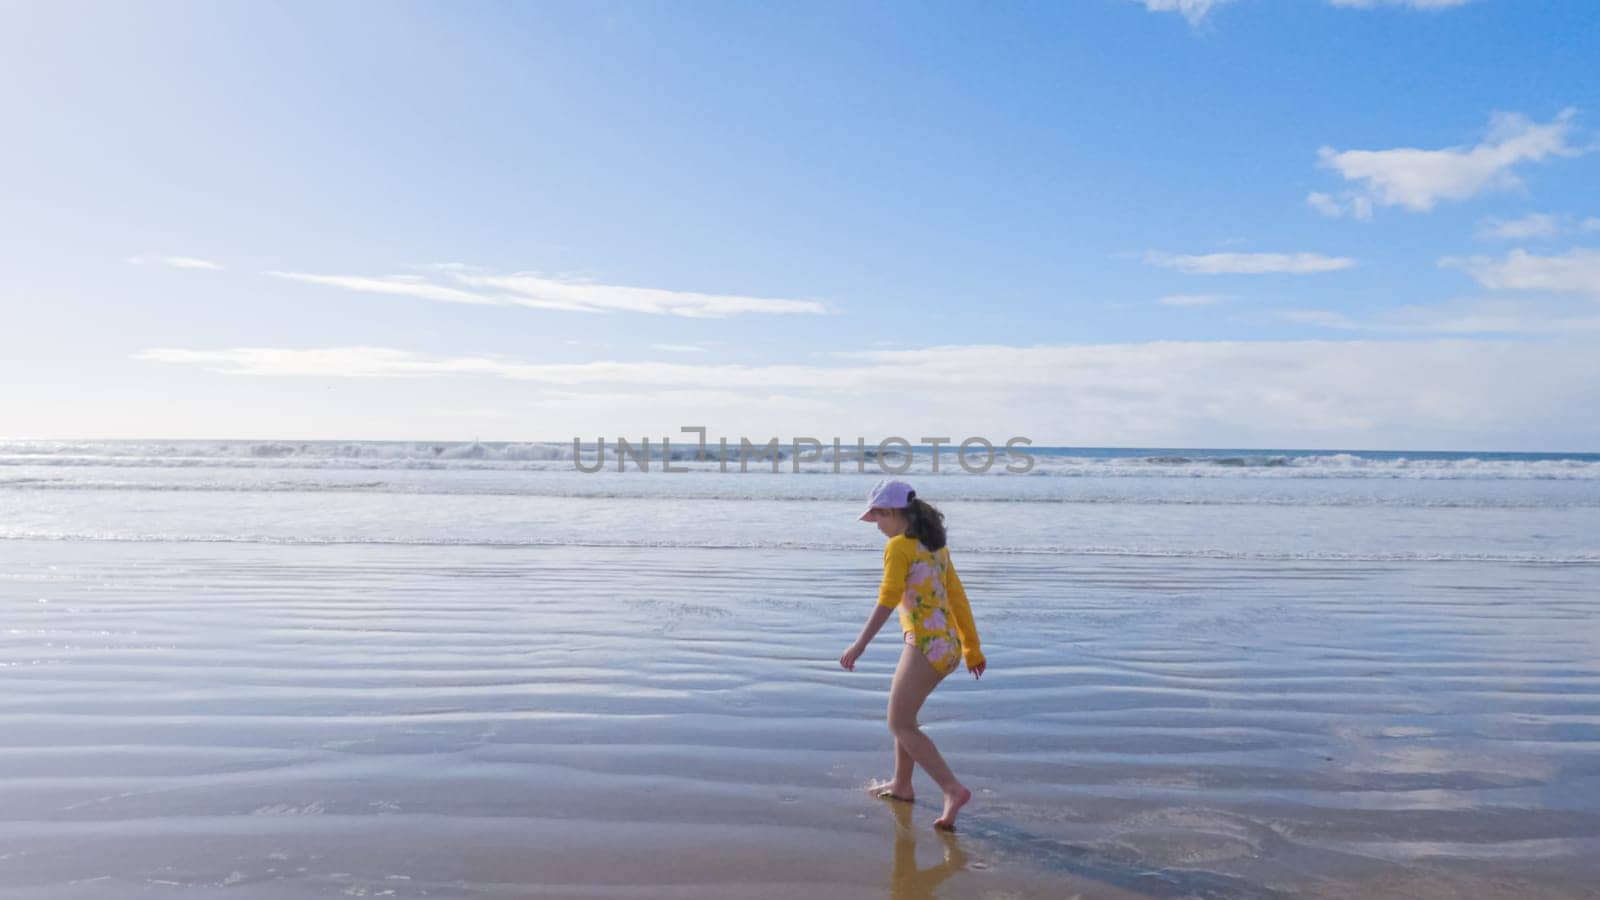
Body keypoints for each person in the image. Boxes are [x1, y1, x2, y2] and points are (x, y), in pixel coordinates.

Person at [840, 478, 986, 831]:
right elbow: (958, 598)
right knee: (906, 719)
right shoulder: (935, 547)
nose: (877, 527)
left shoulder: (899, 547)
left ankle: (952, 789)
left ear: (890, 512)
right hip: (946, 645)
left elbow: (888, 599)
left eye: (877, 519)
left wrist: (859, 645)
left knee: (898, 722)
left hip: (924, 646)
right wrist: (971, 647)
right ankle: (902, 785)